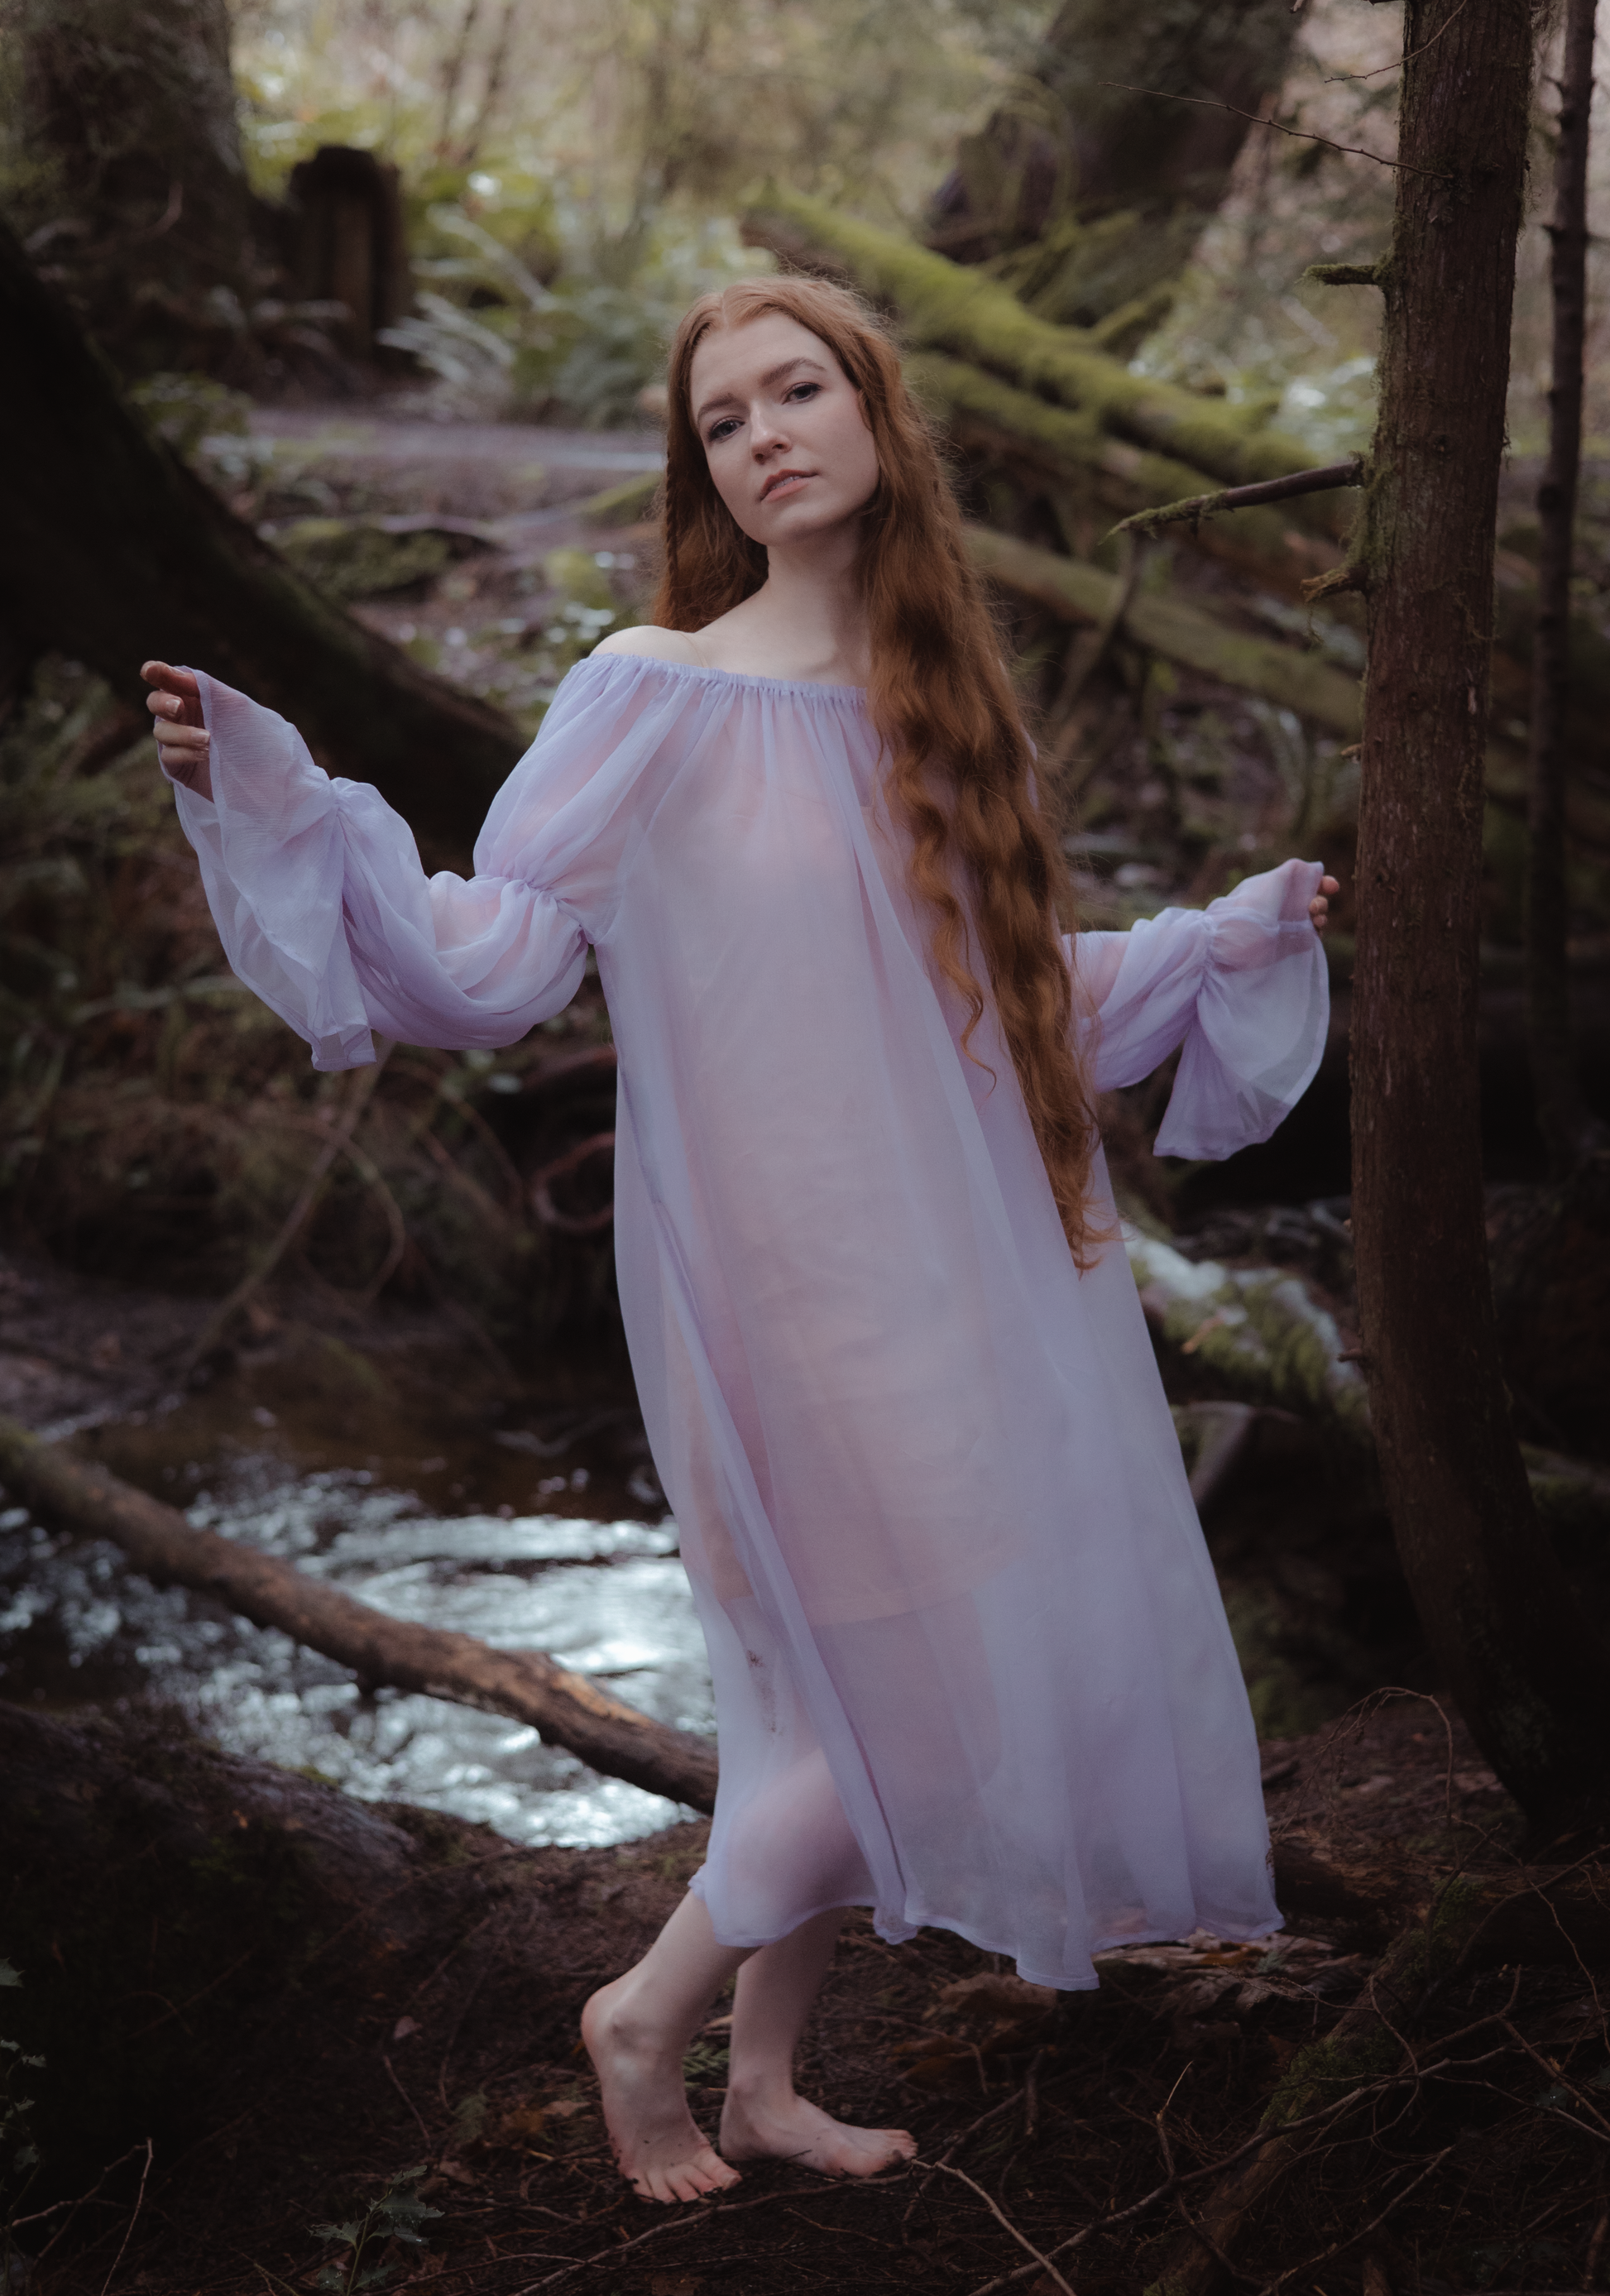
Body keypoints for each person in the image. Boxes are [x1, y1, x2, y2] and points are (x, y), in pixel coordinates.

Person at [144, 275, 1339, 2207]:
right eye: (723, 417)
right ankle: (643, 2013)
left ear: (878, 416)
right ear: (703, 468)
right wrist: (285, 809)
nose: (767, 431)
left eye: (800, 389)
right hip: (774, 1288)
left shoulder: (945, 709)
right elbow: (493, 954)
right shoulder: (654, 692)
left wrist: (1225, 938)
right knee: (914, 1698)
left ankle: (767, 2077)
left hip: (953, 1280)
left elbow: (1018, 1003)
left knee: (837, 1693)